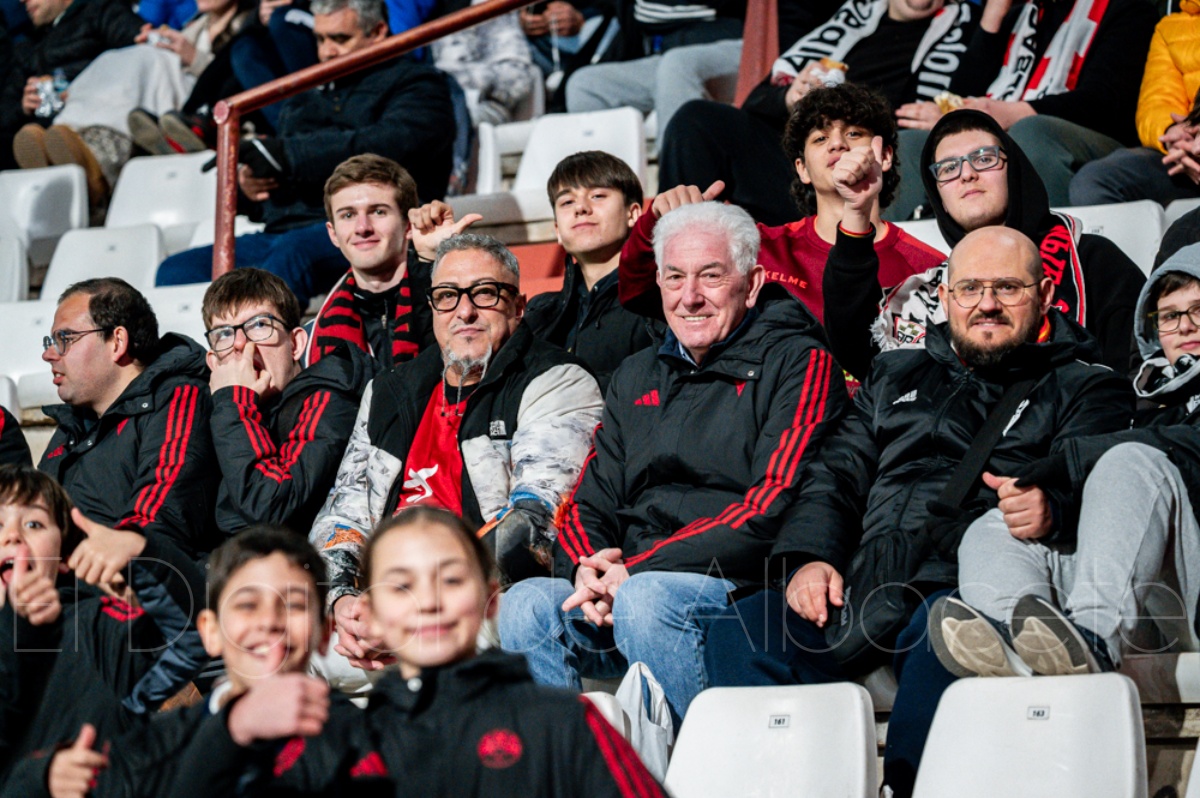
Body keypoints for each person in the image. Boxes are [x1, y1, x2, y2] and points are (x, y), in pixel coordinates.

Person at [704, 226, 1134, 797]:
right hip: (863, 577)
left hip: (963, 577)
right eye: (970, 288)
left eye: (1008, 288)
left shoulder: (1087, 386)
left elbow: (1087, 482)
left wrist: (1050, 505)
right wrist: (811, 557)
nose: (986, 303)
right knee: (741, 625)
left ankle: (904, 787)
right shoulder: (894, 374)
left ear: (1046, 294)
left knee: (946, 634)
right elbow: (836, 474)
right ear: (946, 296)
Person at [500, 201, 849, 725]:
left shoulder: (799, 362)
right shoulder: (635, 374)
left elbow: (770, 505)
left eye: (711, 276)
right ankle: (571, 763)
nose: (690, 297)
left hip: (737, 583)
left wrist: (634, 571)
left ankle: (698, 763)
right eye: (675, 277)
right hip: (627, 582)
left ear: (752, 284)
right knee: (525, 603)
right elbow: (590, 500)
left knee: (646, 599)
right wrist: (588, 569)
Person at [162, 507, 665, 796]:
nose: (428, 601)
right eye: (401, 585)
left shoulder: (564, 723)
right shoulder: (351, 744)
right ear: (371, 613)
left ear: (489, 597)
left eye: (451, 578)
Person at [310, 233, 602, 673]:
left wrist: (418, 604)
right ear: (432, 309)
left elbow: (536, 523)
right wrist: (343, 600)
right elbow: (343, 516)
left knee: (520, 611)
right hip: (386, 604)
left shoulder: (558, 380)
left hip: (489, 599)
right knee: (295, 642)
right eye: (447, 296)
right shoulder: (389, 392)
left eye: (485, 293)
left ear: (518, 307)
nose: (464, 311)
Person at [931, 242, 1200, 679]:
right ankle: (1021, 651)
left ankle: (1095, 637)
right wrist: (1052, 510)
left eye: (1198, 311)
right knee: (995, 526)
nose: (1185, 326)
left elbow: (1183, 448)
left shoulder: (1136, 426)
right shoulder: (1149, 404)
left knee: (1131, 460)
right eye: (1169, 315)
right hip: (1154, 602)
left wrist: (1073, 461)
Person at [154, 0, 457, 309]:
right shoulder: (306, 96)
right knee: (177, 270)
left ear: (378, 31)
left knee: (288, 257)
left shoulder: (419, 84)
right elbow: (285, 174)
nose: (327, 52)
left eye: (340, 39)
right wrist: (251, 187)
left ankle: (265, 339)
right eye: (320, 39)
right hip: (285, 229)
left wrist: (286, 155)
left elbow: (389, 144)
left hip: (371, 228)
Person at [824, 108, 1146, 380]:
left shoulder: (1093, 261)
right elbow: (859, 349)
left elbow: (1132, 373)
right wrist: (857, 210)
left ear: (1014, 170)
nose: (966, 174)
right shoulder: (934, 291)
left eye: (984, 158)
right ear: (939, 196)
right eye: (949, 168)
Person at [621, 84, 945, 344]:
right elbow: (637, 293)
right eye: (820, 138)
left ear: (885, 156)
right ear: (802, 169)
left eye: (853, 134)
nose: (837, 144)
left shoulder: (927, 267)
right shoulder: (759, 247)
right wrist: (657, 222)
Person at [34, 525, 341, 798]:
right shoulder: (150, 747)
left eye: (294, 605)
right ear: (210, 632)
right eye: (248, 604)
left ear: (325, 631)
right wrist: (41, 779)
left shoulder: (358, 736)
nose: (269, 620)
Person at [658, 0, 985, 226]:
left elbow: (979, 88)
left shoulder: (967, 29)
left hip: (871, 168)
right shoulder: (852, 18)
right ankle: (685, 243)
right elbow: (755, 101)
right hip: (799, 163)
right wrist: (789, 96)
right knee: (697, 120)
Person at [0, 465, 207, 791]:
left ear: (64, 555)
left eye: (33, 523)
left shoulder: (97, 626)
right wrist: (40, 780)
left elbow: (196, 637)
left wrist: (143, 552)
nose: (12, 536)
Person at [887, 0, 1157, 218]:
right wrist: (993, 17)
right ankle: (908, 264)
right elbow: (962, 91)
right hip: (1007, 129)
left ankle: (1051, 254)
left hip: (1092, 138)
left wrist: (1014, 112)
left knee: (1032, 132)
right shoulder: (1020, 15)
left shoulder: (1128, 9)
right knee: (912, 144)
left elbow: (1106, 103)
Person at [38, 278, 218, 557]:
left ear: (117, 342)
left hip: (126, 577)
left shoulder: (178, 398)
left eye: (66, 339)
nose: (48, 354)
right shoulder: (74, 422)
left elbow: (158, 521)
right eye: (52, 341)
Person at [12, 0, 254, 205]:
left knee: (143, 58)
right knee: (122, 59)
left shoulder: (249, 28)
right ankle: (67, 146)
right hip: (167, 98)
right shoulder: (193, 26)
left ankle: (96, 156)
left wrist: (194, 58)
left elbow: (241, 81)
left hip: (205, 109)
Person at [204, 268, 374, 537]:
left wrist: (235, 405)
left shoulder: (329, 398)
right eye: (224, 333)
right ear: (214, 363)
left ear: (296, 344)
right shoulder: (213, 411)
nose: (241, 344)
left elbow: (270, 506)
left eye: (259, 325)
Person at [521, 150, 657, 392]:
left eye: (597, 196)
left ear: (633, 214)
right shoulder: (540, 313)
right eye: (567, 202)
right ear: (557, 230)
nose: (581, 208)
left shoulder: (655, 302)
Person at [310, 154, 435, 371]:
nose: (362, 227)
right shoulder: (313, 338)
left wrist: (432, 259)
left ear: (408, 225)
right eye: (348, 215)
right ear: (333, 234)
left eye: (378, 212)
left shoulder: (449, 306)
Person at [1069, 3, 1200, 207]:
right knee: (1094, 181)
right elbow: (1156, 101)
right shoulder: (1170, 28)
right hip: (1183, 157)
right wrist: (1174, 133)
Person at [562, 0, 746, 137]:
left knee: (676, 65)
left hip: (741, 48)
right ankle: (609, 176)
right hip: (665, 55)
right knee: (585, 84)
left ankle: (678, 175)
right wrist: (577, 13)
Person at [0, 0, 144, 171]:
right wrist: (22, 107)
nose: (22, 1)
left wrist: (80, 87)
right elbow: (6, 108)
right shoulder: (28, 46)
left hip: (97, 115)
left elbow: (141, 55)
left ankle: (86, 164)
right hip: (42, 129)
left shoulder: (101, 11)